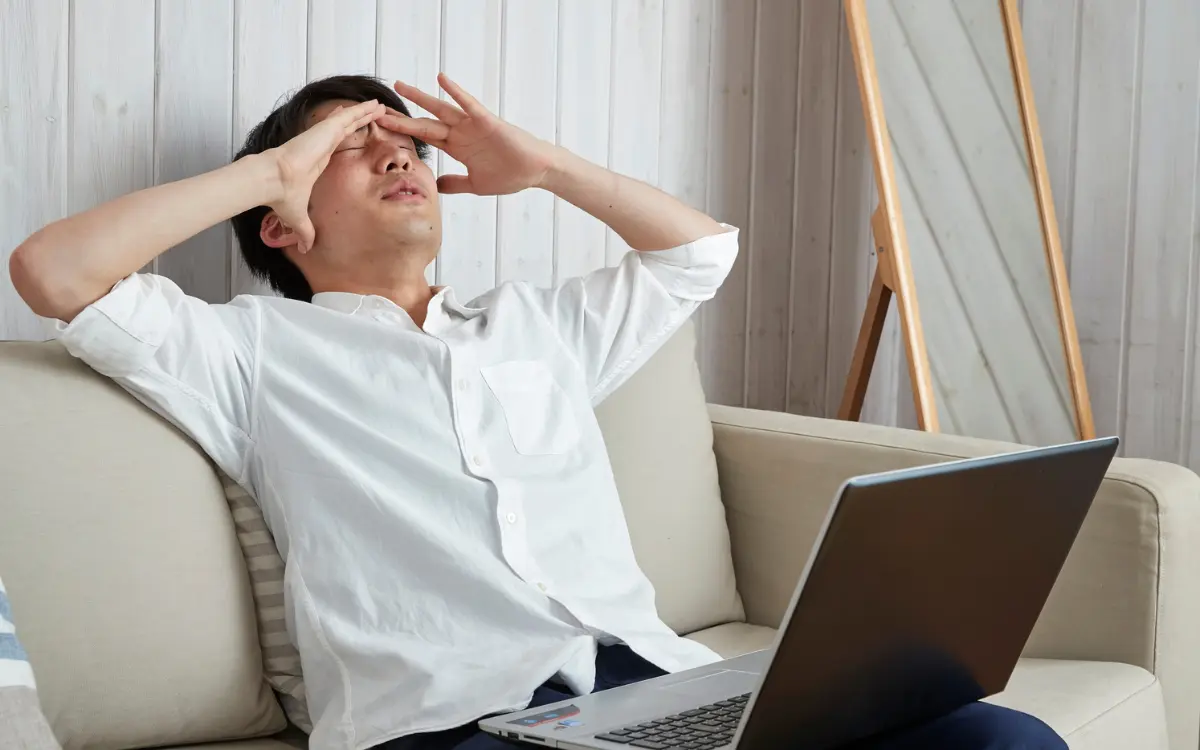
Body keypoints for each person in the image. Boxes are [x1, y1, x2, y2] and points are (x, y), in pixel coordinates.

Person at [8, 73, 1065, 750]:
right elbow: (54, 272)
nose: (400, 156)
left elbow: (700, 253)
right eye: (352, 148)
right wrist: (267, 169)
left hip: (661, 690)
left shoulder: (535, 328)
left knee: (1005, 742)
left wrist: (545, 167)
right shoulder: (245, 351)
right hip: (458, 725)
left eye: (409, 145)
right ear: (278, 223)